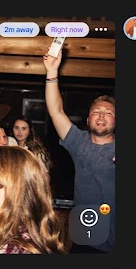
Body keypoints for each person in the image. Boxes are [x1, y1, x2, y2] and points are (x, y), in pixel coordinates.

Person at [43, 47, 115, 251]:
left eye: (108, 113)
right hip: (87, 238)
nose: (101, 115)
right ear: (88, 119)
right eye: (96, 111)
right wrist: (51, 71)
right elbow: (56, 111)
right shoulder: (79, 141)